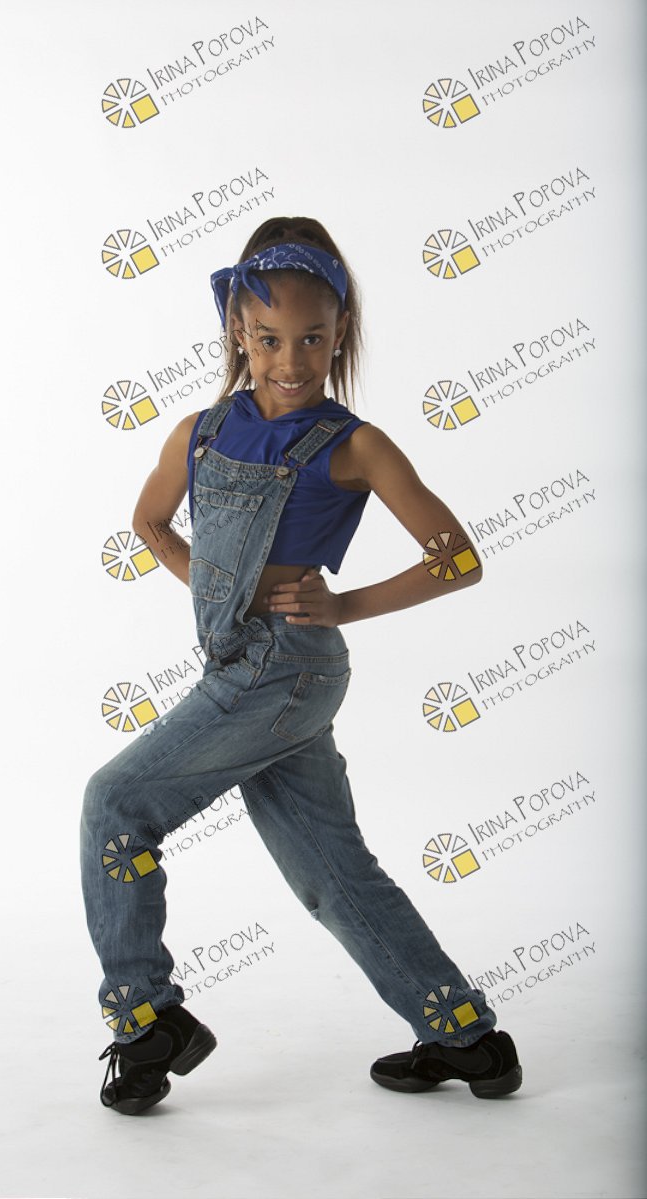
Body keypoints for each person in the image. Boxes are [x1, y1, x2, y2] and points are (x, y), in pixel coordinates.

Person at [80, 216, 522, 1116]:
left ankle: (146, 1020)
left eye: (313, 338)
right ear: (237, 331)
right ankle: (466, 1036)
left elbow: (458, 559)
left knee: (116, 804)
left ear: (340, 334)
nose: (292, 360)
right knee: (332, 870)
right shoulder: (200, 432)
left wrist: (344, 605)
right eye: (270, 338)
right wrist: (216, 583)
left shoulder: (353, 444)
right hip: (244, 670)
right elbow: (150, 523)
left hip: (285, 672)